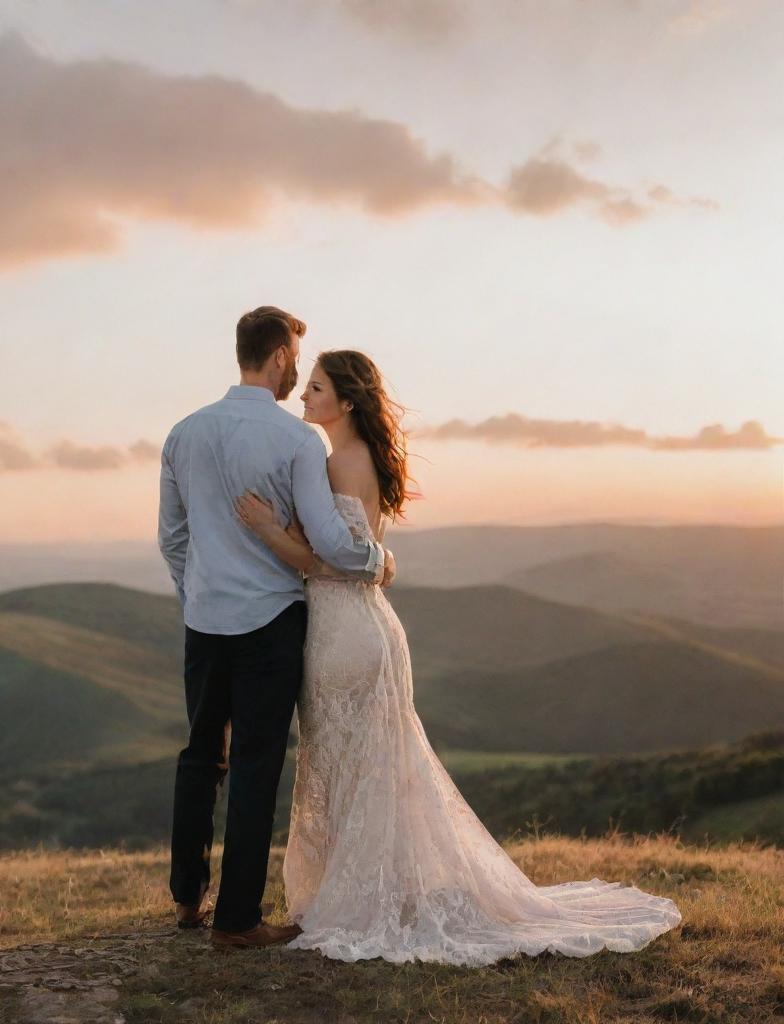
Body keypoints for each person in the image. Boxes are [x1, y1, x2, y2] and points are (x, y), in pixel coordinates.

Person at [234, 349, 683, 965]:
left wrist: (267, 530)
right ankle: (371, 891)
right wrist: (377, 562)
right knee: (369, 768)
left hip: (341, 632)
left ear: (346, 401)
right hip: (372, 629)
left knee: (340, 764)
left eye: (315, 389)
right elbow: (365, 553)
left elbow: (327, 558)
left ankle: (358, 901)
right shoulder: (363, 457)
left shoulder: (333, 460)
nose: (304, 397)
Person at [157, 307, 397, 950]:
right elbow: (332, 543)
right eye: (298, 359)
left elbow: (172, 539)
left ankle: (186, 898)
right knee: (257, 765)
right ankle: (235, 921)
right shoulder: (295, 442)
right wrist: (378, 559)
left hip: (204, 622)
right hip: (270, 623)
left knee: (200, 754)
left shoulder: (183, 432)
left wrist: (199, 596)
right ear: (283, 357)